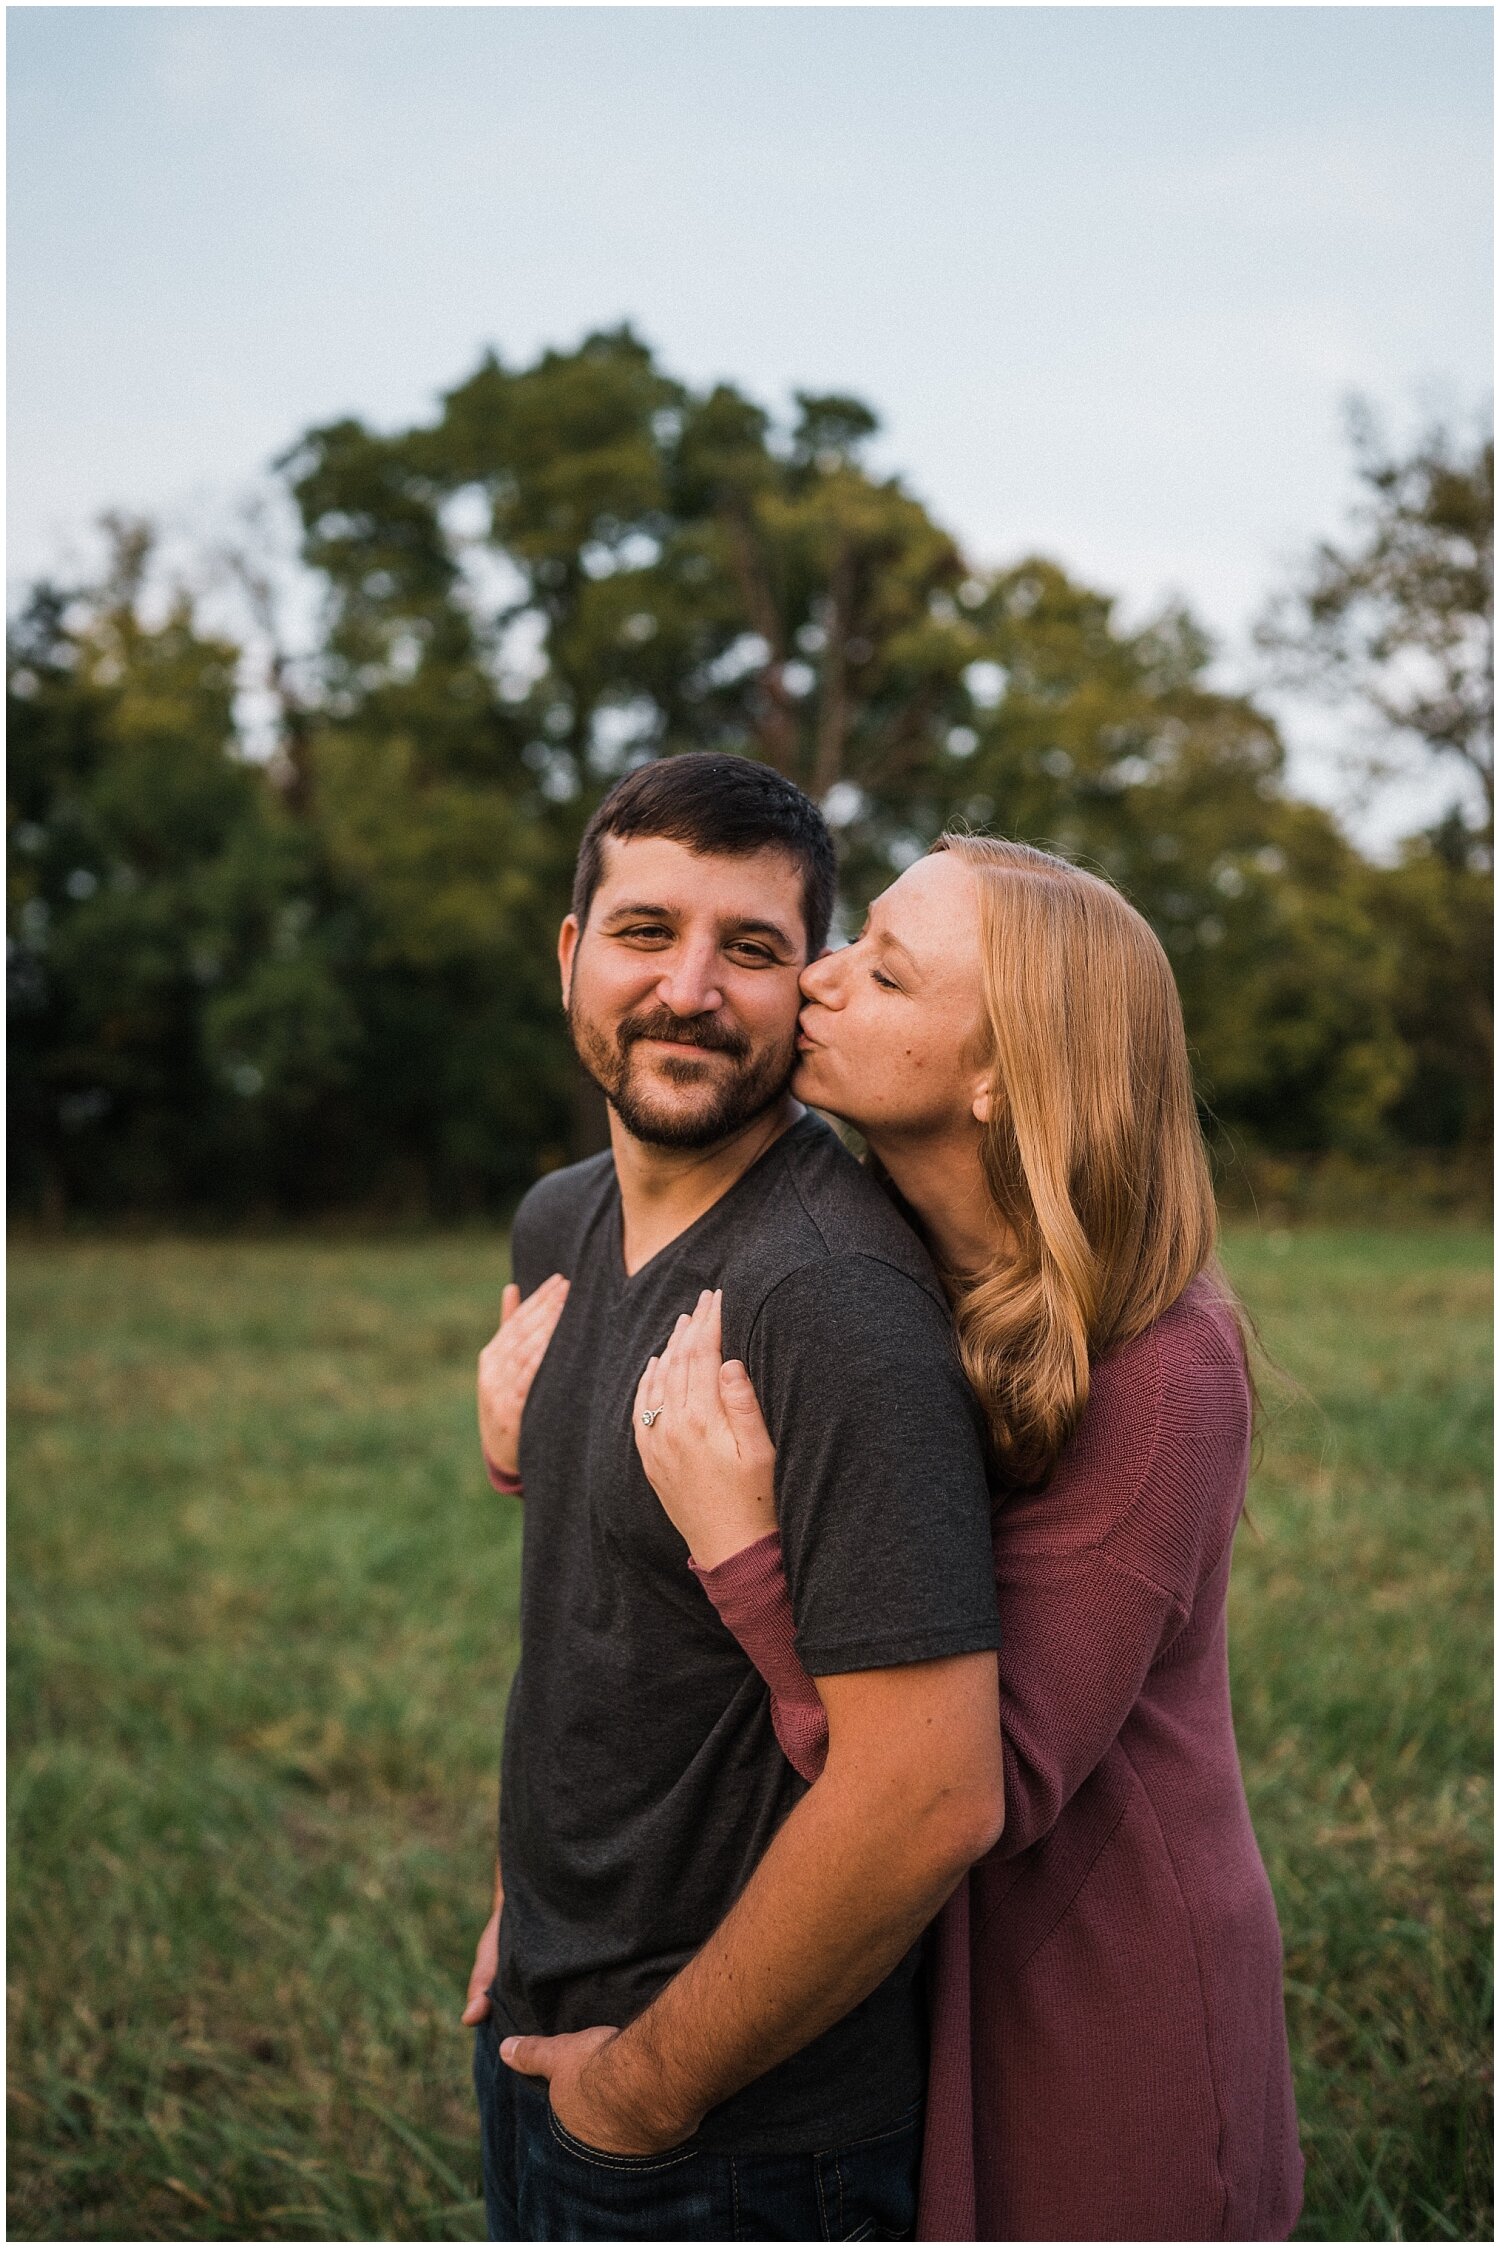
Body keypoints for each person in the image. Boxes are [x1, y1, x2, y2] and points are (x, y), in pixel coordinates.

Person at [631, 836, 1305, 2241]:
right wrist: (524, 1428)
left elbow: (969, 1783)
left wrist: (744, 1554)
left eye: (883, 969)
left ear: (1001, 1078)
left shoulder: (1166, 1373)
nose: (815, 978)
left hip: (1094, 1991)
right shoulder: (872, 1268)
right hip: (923, 1972)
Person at [464, 754, 1006, 2243]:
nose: (690, 989)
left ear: (809, 985)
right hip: (542, 2016)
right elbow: (604, 1620)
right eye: (646, 931)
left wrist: (640, 2092)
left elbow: (929, 1794)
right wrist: (534, 1904)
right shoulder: (560, 1218)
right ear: (573, 955)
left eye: (752, 949)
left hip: (740, 2127)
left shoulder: (830, 1293)